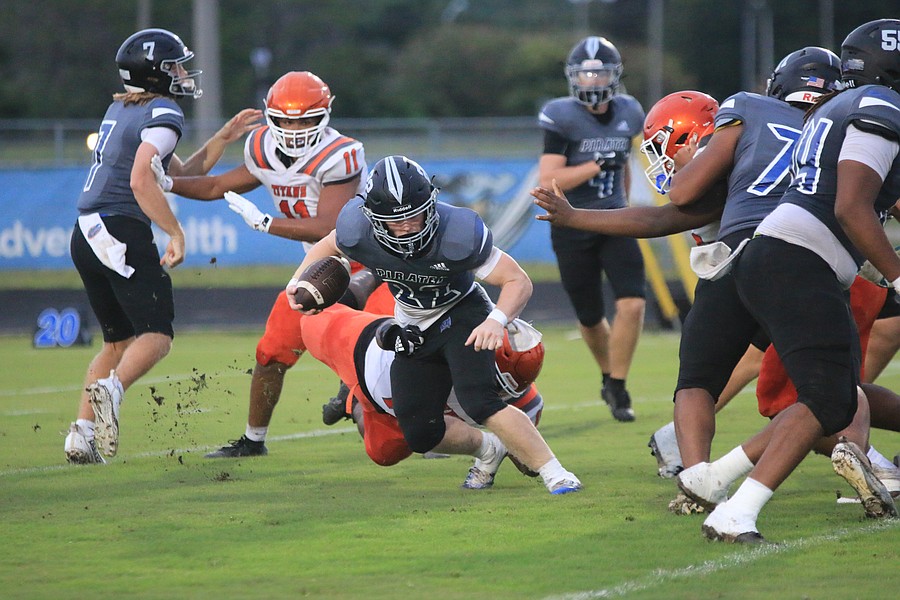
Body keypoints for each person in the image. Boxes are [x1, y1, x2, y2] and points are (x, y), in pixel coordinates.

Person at [677, 19, 900, 543]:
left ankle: (716, 477)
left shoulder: (835, 109)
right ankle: (735, 512)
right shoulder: (880, 105)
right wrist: (897, 274)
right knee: (828, 399)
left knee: (834, 397)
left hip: (780, 256)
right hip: (798, 260)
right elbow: (850, 207)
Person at [286, 155, 582, 494]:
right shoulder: (357, 229)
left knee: (481, 401)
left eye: (415, 215)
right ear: (373, 218)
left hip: (460, 312)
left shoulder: (457, 232)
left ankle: (556, 473)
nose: (408, 226)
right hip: (412, 324)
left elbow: (518, 280)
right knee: (420, 433)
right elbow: (329, 243)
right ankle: (490, 450)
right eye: (396, 220)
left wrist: (495, 320)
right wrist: (297, 280)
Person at [153, 71, 392, 458]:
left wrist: (267, 223)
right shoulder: (262, 147)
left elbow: (330, 227)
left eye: (304, 120)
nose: (294, 130)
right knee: (270, 354)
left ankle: (421, 425)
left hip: (374, 269)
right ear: (270, 116)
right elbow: (216, 186)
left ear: (325, 115)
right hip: (320, 270)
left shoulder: (341, 154)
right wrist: (167, 183)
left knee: (386, 357)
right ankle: (254, 441)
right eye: (285, 121)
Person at [64, 28, 217, 463]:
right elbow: (140, 180)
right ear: (155, 73)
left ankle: (81, 436)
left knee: (117, 343)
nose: (183, 74)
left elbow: (180, 172)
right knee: (157, 334)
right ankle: (112, 390)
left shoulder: (123, 108)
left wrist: (224, 136)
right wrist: (175, 232)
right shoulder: (164, 110)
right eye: (175, 67)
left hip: (86, 231)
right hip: (118, 228)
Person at [284, 301, 547, 489]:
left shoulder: (522, 404)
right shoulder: (455, 341)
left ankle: (353, 401)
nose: (498, 394)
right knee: (308, 315)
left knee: (383, 452)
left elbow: (530, 463)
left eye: (505, 391)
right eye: (496, 385)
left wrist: (525, 452)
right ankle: (351, 393)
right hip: (359, 349)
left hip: (390, 408)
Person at [537, 36, 646, 422]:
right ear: (574, 76)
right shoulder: (561, 115)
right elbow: (549, 180)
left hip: (614, 219)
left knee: (633, 302)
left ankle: (618, 383)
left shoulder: (630, 111)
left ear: (615, 75)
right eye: (585, 73)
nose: (593, 80)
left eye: (600, 72)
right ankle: (607, 374)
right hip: (572, 223)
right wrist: (596, 163)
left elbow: (624, 166)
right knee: (589, 316)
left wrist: (625, 207)